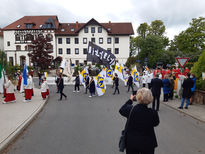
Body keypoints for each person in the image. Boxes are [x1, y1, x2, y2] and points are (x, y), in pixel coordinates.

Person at [119, 88, 160, 154]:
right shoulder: (153, 112)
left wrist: (130, 100)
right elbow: (156, 123)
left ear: (138, 97)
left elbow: (121, 110)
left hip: (132, 142)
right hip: (148, 142)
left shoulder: (131, 110)